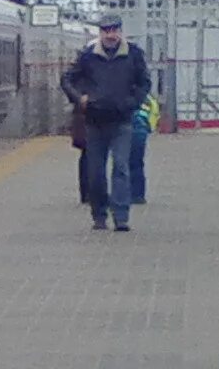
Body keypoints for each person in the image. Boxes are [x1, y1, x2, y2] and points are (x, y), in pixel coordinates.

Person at [60, 15, 151, 233]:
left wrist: (132, 103)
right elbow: (67, 79)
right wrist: (79, 98)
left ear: (120, 31)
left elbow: (144, 82)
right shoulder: (88, 56)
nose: (111, 35)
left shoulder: (133, 54)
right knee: (96, 172)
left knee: (121, 168)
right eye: (106, 30)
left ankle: (121, 217)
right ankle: (99, 215)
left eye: (114, 30)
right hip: (94, 121)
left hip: (122, 120)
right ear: (100, 33)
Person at [129, 88, 159, 206]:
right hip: (141, 131)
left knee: (125, 164)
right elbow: (153, 114)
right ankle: (138, 195)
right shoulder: (147, 98)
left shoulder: (124, 95)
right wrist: (149, 128)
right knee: (137, 163)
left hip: (131, 130)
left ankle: (131, 194)